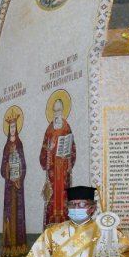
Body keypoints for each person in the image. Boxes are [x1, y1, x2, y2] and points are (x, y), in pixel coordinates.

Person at [39, 96, 75, 226]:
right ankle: (51, 224)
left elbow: (73, 148)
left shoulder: (66, 127)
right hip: (53, 171)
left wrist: (68, 155)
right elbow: (43, 150)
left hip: (63, 170)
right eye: (54, 111)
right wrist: (50, 150)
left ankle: (65, 223)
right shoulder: (49, 129)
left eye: (59, 111)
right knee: (52, 196)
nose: (56, 114)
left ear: (63, 111)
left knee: (64, 195)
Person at [0, 113, 28, 256]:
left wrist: (19, 177)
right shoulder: (6, 146)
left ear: (16, 128)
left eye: (14, 127)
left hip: (17, 187)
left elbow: (23, 163)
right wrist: (8, 170)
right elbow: (3, 165)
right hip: (9, 186)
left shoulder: (19, 144)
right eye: (10, 127)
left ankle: (19, 245)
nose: (12, 129)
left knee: (18, 214)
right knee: (9, 213)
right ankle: (9, 246)